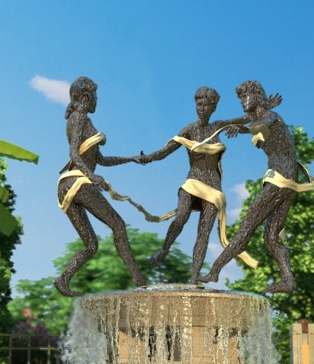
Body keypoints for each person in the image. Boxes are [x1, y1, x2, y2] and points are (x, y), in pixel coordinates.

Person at [199, 80, 311, 294]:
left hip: (280, 178)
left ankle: (215, 270)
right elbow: (230, 121)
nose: (242, 101)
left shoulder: (271, 117)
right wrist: (214, 125)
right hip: (287, 180)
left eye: (245, 96)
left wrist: (241, 129)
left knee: (247, 226)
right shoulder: (256, 116)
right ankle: (288, 280)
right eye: (240, 97)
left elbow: (258, 126)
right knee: (271, 237)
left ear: (257, 97)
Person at [139, 87, 250, 280]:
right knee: (181, 217)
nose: (202, 109)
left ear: (213, 108)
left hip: (213, 187)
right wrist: (148, 158)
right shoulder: (189, 130)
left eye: (206, 105)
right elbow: (166, 150)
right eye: (199, 104)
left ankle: (194, 278)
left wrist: (252, 116)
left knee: (203, 233)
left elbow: (246, 119)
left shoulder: (217, 126)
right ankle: (165, 249)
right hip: (193, 181)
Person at [54, 76, 147, 297]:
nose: (97, 100)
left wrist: (131, 159)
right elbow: (74, 153)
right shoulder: (80, 118)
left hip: (66, 187)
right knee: (119, 226)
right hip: (78, 182)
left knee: (91, 246)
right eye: (95, 96)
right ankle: (139, 279)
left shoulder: (80, 120)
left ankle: (62, 280)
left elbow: (102, 160)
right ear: (86, 98)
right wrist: (92, 176)